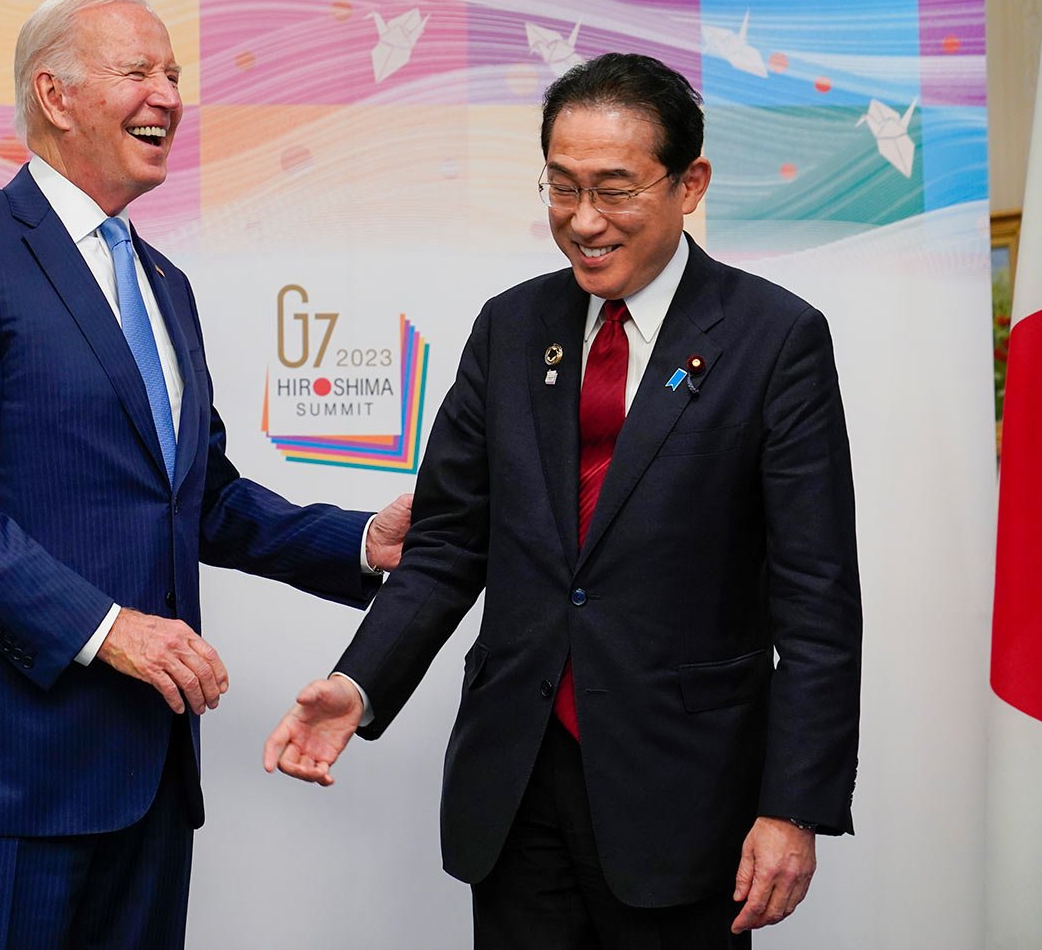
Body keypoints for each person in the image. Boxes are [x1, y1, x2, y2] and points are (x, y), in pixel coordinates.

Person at [264, 52, 861, 948]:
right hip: (516, 779)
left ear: (688, 183)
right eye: (562, 188)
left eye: (616, 190)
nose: (584, 221)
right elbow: (449, 543)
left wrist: (794, 806)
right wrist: (360, 681)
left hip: (686, 793)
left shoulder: (776, 340)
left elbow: (816, 602)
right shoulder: (513, 326)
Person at [0, 0, 411, 950]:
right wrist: (104, 628)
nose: (167, 93)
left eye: (174, 75)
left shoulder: (165, 284)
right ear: (54, 93)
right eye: (137, 72)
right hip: (3, 777)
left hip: (151, 777)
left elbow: (200, 498)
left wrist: (363, 542)